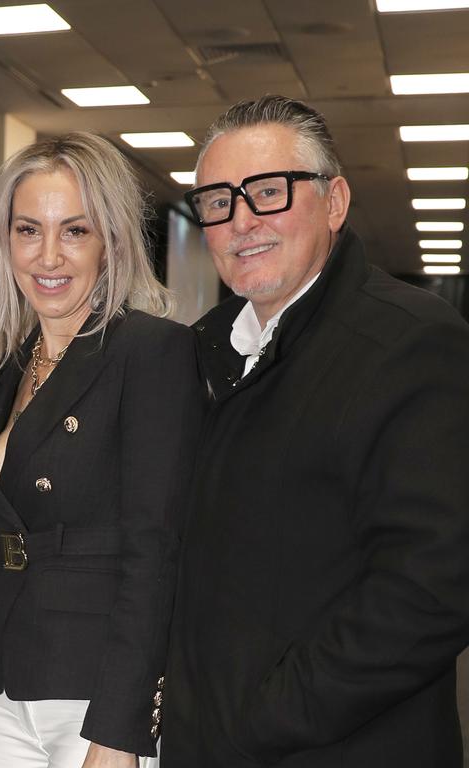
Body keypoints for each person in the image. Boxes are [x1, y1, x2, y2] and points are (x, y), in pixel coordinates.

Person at [162, 95, 469, 767]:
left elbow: (432, 586)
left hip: (335, 747)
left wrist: (265, 718)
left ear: (334, 203)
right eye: (217, 201)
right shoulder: (203, 348)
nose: (241, 221)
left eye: (268, 192)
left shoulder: (410, 342)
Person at [0, 132, 205, 768]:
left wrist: (118, 730)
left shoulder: (150, 352)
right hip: (1, 683)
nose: (49, 255)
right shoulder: (8, 367)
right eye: (29, 230)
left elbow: (156, 553)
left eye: (75, 231)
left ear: (110, 241)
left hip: (94, 700)